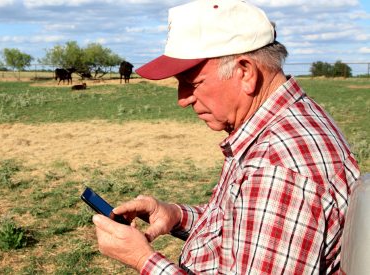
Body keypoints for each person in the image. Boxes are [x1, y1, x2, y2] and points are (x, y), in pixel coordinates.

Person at [92, 0, 361, 274]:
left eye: (192, 83)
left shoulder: (277, 168)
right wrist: (175, 215)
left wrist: (142, 259)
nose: (182, 99)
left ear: (245, 72)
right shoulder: (281, 122)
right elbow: (241, 228)